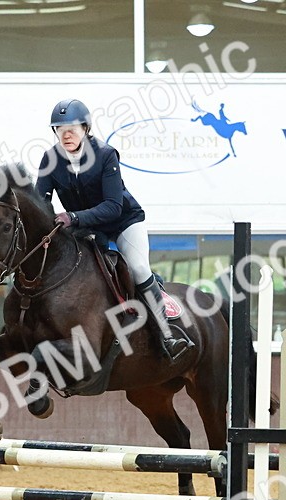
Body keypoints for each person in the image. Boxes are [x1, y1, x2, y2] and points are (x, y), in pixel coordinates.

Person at [34, 98, 192, 361]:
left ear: (86, 128)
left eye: (72, 128)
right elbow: (42, 202)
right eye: (60, 129)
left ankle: (167, 335)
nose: (66, 134)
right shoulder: (50, 159)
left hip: (122, 222)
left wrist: (72, 216)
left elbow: (112, 207)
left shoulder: (106, 155)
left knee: (139, 268)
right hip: (84, 227)